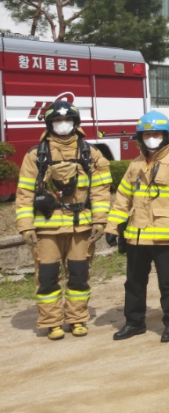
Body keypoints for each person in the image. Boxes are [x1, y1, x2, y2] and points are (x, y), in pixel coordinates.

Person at [16, 100, 112, 340]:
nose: (62, 124)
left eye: (67, 120)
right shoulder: (35, 155)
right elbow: (24, 193)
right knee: (47, 276)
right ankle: (52, 323)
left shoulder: (92, 153)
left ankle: (77, 319)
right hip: (47, 229)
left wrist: (100, 222)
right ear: (49, 124)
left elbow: (101, 191)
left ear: (76, 123)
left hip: (81, 226)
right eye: (57, 121)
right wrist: (26, 226)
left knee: (79, 274)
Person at [106, 111, 169, 343]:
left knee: (168, 283)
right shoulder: (135, 164)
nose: (152, 138)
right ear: (141, 137)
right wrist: (113, 226)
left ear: (166, 136)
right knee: (134, 283)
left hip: (165, 237)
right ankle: (134, 322)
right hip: (137, 235)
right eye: (147, 134)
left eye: (156, 134)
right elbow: (123, 197)